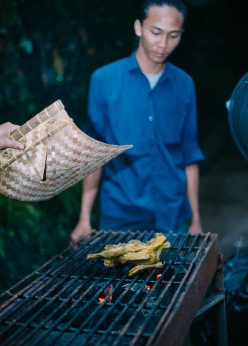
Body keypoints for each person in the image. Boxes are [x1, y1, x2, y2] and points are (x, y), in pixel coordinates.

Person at [70, 0, 205, 243]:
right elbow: (94, 153)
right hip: (120, 214)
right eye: (156, 33)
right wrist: (84, 217)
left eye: (173, 35)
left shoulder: (184, 84)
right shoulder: (104, 80)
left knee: (175, 279)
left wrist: (195, 219)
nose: (163, 44)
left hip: (172, 214)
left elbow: (189, 155)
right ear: (138, 27)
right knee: (117, 281)